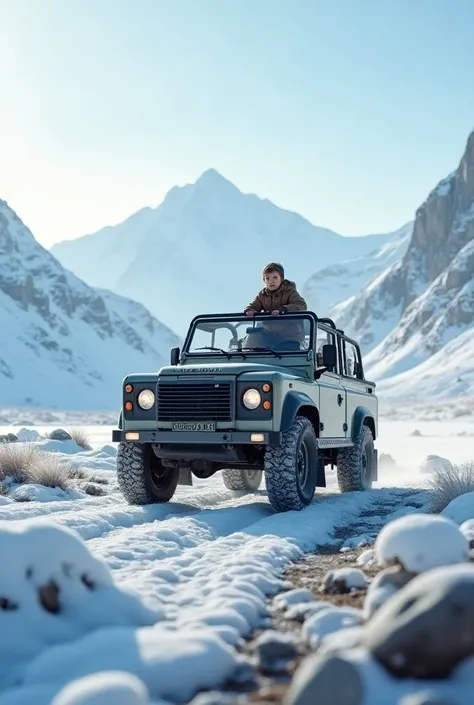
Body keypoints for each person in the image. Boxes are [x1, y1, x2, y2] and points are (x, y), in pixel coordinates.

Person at [243, 262, 307, 349]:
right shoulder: (262, 295)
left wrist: (283, 310)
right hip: (269, 333)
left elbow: (301, 305)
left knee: (286, 349)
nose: (271, 281)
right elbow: (253, 306)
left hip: (289, 334)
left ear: (282, 278)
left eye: (275, 278)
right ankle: (247, 359)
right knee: (252, 337)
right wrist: (249, 310)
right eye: (267, 278)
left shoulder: (290, 292)